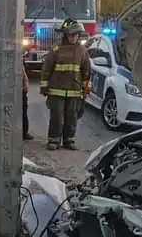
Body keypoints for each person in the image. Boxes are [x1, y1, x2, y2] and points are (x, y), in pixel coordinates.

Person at [39, 19, 91, 150]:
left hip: (74, 90)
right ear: (66, 35)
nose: (74, 37)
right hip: (56, 90)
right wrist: (44, 86)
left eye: (76, 35)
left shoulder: (82, 51)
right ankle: (54, 140)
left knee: (72, 117)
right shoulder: (57, 49)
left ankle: (69, 140)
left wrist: (86, 88)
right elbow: (46, 69)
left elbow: (86, 71)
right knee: (56, 116)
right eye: (72, 35)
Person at [22, 67, 33, 141]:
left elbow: (21, 66)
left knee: (23, 110)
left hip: (20, 88)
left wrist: (25, 80)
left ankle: (24, 132)